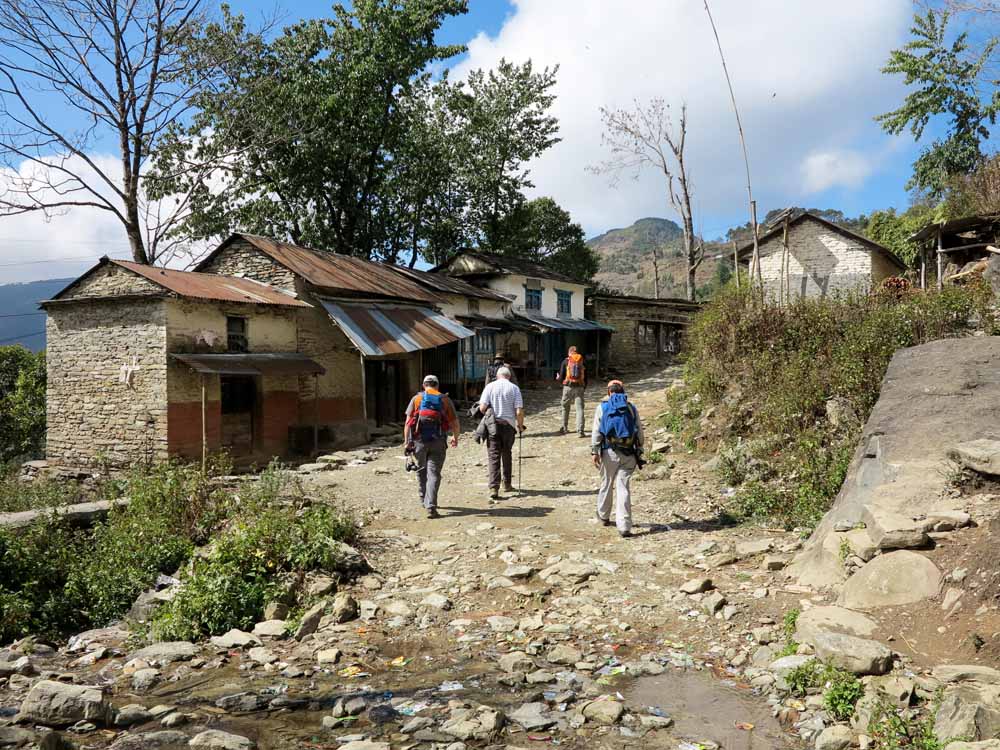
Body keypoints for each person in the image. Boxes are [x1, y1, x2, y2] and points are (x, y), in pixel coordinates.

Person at [591, 380, 644, 538]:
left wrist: (595, 451)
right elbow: (639, 431)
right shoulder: (631, 408)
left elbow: (596, 432)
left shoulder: (602, 407)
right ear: (622, 391)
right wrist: (639, 449)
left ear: (609, 392)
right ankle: (624, 525)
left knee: (606, 483)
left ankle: (603, 515)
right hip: (629, 453)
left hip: (609, 452)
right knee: (623, 487)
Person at [404, 375, 459, 519]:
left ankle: (424, 499)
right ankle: (431, 506)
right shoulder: (445, 400)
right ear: (437, 385)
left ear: (424, 385)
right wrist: (455, 437)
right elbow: (454, 422)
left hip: (419, 441)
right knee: (434, 474)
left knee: (421, 470)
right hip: (438, 441)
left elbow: (408, 422)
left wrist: (407, 442)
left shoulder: (416, 399)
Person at [478, 366, 525, 500]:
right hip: (509, 426)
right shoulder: (514, 388)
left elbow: (482, 408)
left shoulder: (490, 387)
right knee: (507, 453)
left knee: (493, 456)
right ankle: (507, 484)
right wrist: (520, 426)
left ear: (498, 376)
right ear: (509, 376)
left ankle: (494, 488)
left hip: (493, 426)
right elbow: (519, 411)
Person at [557, 346, 587, 436]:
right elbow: (586, 376)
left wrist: (559, 379)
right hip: (580, 387)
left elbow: (561, 376)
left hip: (568, 387)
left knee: (565, 407)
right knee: (579, 409)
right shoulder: (582, 361)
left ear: (569, 352)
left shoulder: (565, 361)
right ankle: (580, 431)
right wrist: (583, 387)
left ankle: (564, 428)